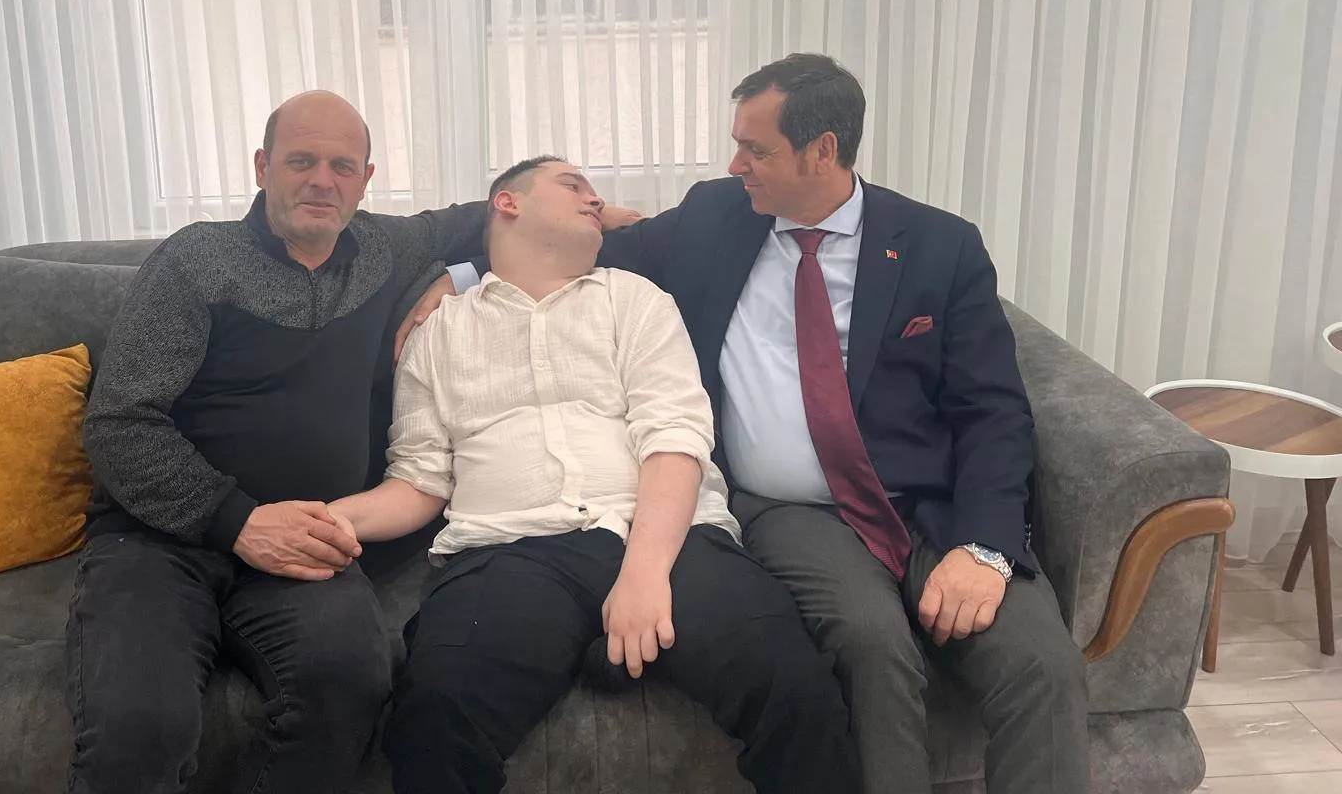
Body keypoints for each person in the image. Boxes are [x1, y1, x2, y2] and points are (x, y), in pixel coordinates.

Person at [406, 56, 1090, 794]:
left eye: (755, 150)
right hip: (793, 512)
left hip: (933, 502)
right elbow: (567, 246)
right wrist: (459, 275)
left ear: (822, 150)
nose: (736, 165)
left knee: (1042, 665)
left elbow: (993, 408)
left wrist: (985, 546)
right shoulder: (716, 216)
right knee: (869, 644)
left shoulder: (939, 244)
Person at [67, 92, 644, 794]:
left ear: (366, 180)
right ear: (262, 167)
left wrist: (595, 215)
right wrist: (239, 522)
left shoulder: (381, 248)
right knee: (140, 726)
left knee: (351, 692)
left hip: (316, 538)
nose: (322, 181)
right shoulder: (197, 260)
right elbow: (119, 422)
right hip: (159, 544)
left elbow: (482, 216)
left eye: (342, 167)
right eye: (301, 162)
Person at [338, 157, 860, 794]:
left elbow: (675, 438)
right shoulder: (438, 331)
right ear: (507, 203)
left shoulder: (635, 299)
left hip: (670, 539)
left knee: (798, 692)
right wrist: (327, 519)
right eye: (572, 186)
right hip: (510, 550)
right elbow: (419, 480)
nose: (595, 200)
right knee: (432, 718)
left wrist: (643, 575)